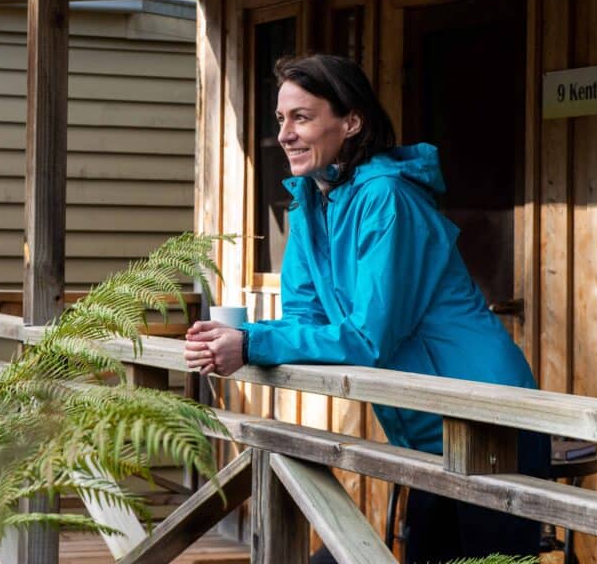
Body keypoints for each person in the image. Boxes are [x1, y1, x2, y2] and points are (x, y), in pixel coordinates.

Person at [183, 54, 548, 564]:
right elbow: (304, 319)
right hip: (428, 430)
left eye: (302, 117)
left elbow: (370, 337)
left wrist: (251, 344)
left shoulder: (388, 198)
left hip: (491, 421)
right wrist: (235, 339)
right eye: (280, 120)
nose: (285, 134)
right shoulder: (311, 203)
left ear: (351, 122)